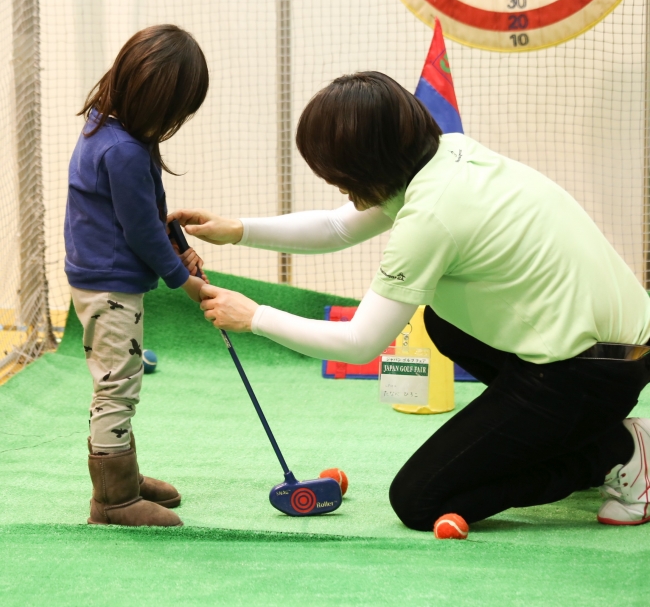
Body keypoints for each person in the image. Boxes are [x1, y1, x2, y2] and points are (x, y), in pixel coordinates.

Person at [169, 71, 650, 531]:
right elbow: (338, 226)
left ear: (369, 162)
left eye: (339, 174)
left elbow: (360, 342)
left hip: (587, 372)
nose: (336, 186)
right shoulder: (448, 153)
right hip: (620, 351)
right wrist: (239, 231)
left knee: (420, 500)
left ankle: (616, 451)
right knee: (443, 323)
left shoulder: (431, 217)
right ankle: (576, 430)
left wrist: (255, 316)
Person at [65, 25, 208, 527]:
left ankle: (124, 477)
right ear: (157, 103)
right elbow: (142, 231)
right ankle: (113, 500)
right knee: (116, 386)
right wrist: (183, 279)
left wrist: (176, 244)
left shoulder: (109, 127)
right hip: (109, 287)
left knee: (118, 380)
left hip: (106, 280)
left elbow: (147, 214)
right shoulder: (122, 149)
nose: (177, 121)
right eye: (177, 110)